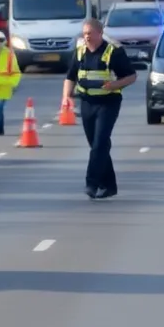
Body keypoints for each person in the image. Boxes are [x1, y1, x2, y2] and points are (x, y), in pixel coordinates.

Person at [62, 18, 137, 199]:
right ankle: (109, 186)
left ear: (99, 33)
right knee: (97, 145)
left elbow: (132, 76)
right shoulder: (79, 52)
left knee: (100, 143)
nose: (86, 37)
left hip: (109, 102)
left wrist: (115, 84)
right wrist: (66, 97)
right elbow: (70, 76)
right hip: (87, 102)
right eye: (84, 33)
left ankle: (92, 183)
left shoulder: (114, 52)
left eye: (90, 33)